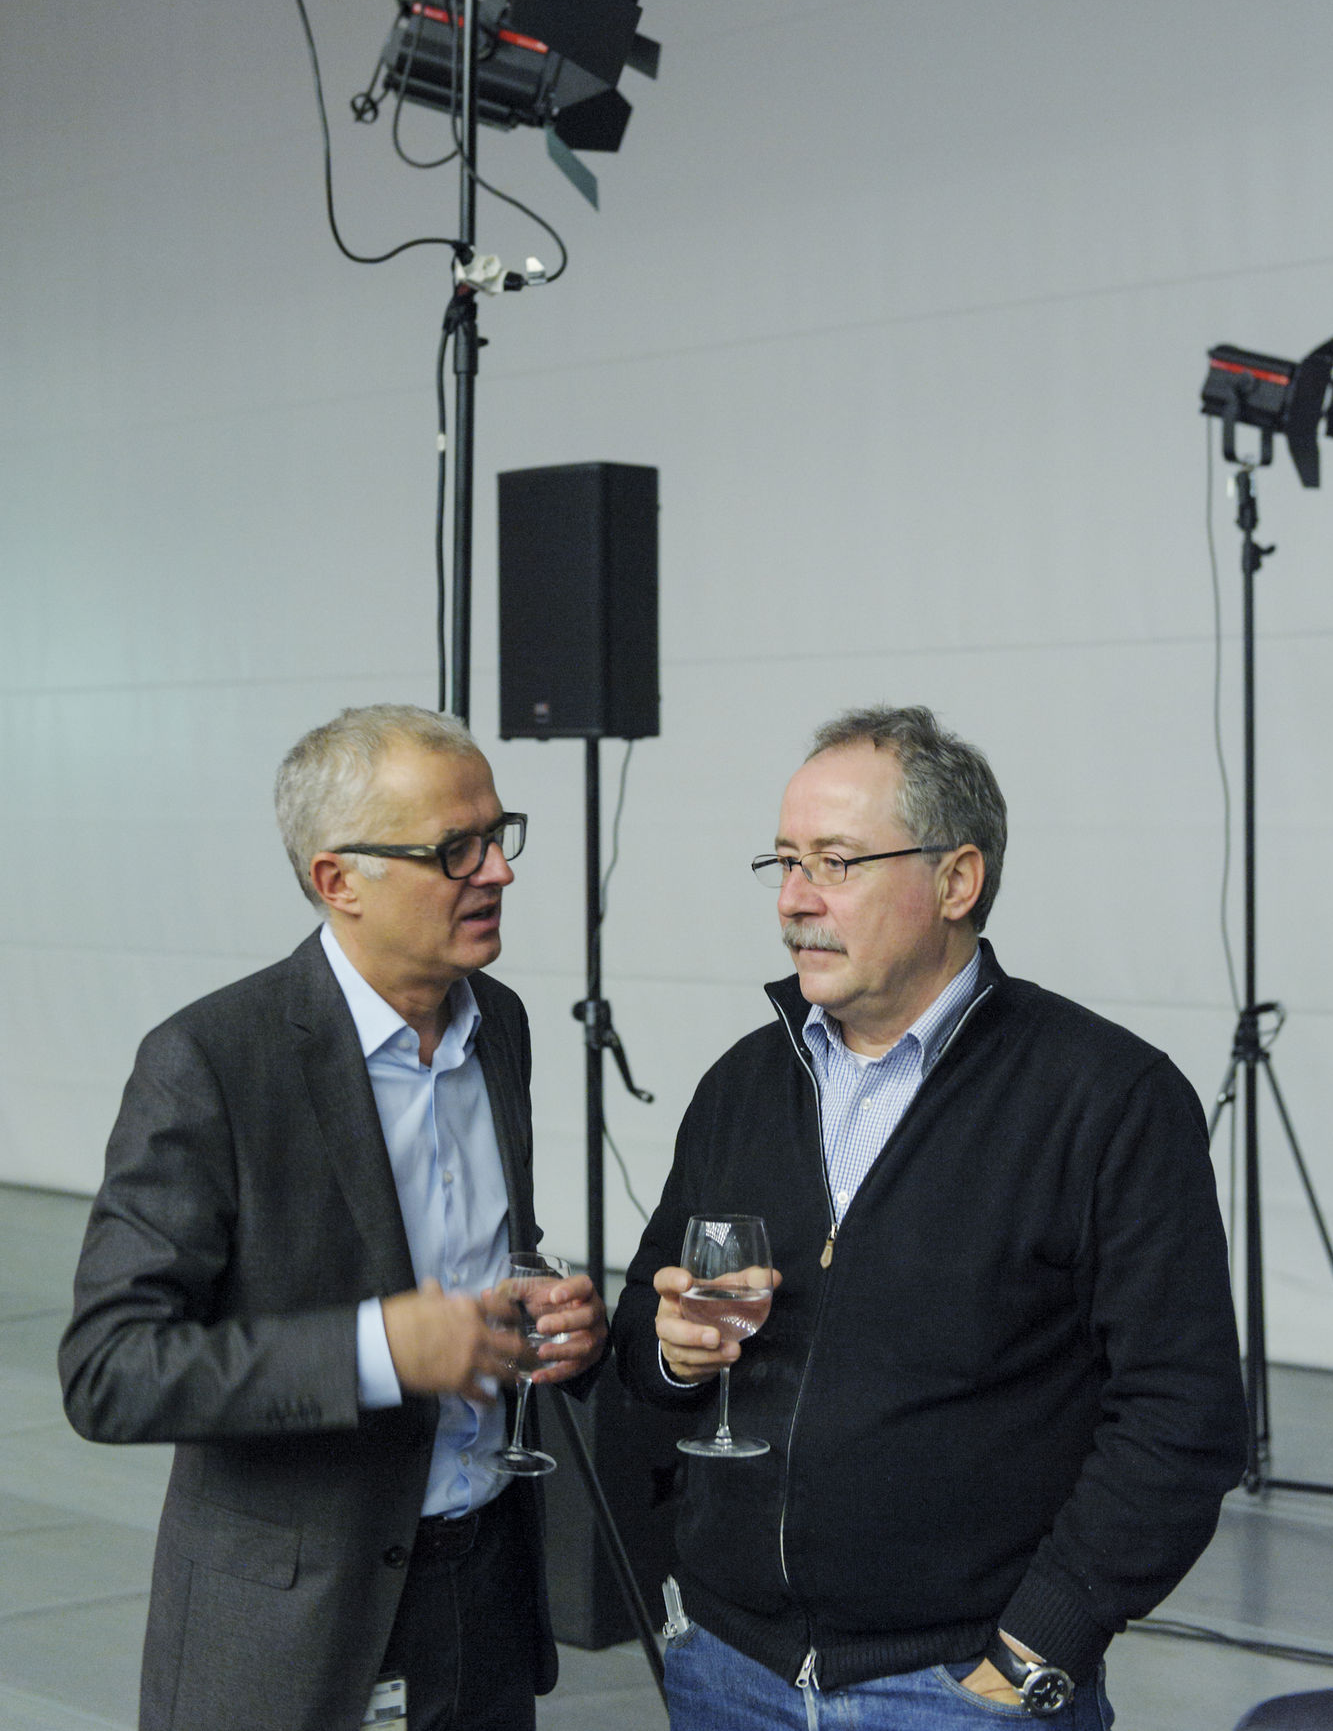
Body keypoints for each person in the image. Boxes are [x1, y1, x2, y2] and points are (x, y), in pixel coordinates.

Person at [615, 705, 1247, 1728]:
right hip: (728, 1670)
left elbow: (1184, 1413)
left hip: (959, 1689)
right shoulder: (741, 1083)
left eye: (835, 861)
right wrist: (675, 1351)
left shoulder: (1106, 1097)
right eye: (782, 862)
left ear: (959, 880)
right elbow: (641, 1343)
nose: (793, 901)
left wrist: (1039, 1644)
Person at [60, 704, 606, 1731]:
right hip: (295, 1636)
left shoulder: (503, 1029)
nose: (499, 870)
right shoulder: (212, 1063)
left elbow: (484, 1251)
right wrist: (376, 1347)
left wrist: (547, 1309)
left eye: (500, 834)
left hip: (484, 1591)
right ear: (338, 879)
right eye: (457, 848)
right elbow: (109, 1370)